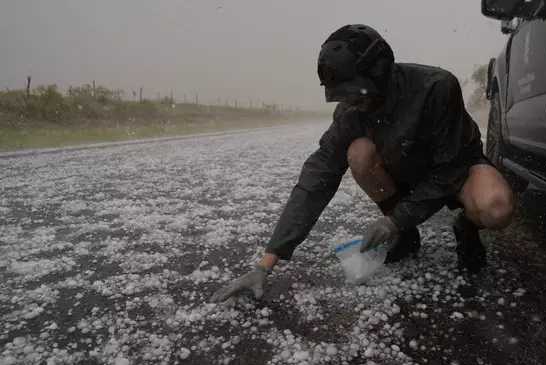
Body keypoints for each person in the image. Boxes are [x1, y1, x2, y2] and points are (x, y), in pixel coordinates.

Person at [210, 24, 514, 303]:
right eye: (343, 96)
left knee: (496, 207)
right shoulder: (350, 113)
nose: (351, 103)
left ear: (379, 71)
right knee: (358, 152)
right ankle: (406, 238)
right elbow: (317, 178)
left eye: (355, 93)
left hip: (458, 171)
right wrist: (267, 262)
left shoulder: (437, 87)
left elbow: (449, 169)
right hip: (406, 175)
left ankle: (466, 226)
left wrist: (394, 219)